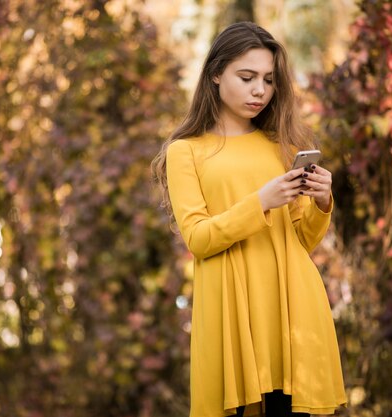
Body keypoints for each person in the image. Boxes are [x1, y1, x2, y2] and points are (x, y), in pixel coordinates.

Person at [152, 22, 347, 417]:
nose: (260, 90)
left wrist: (322, 202)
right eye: (247, 77)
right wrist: (260, 201)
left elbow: (299, 243)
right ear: (216, 74)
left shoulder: (282, 145)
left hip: (294, 310)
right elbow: (199, 239)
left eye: (269, 80)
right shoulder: (186, 152)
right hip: (233, 316)